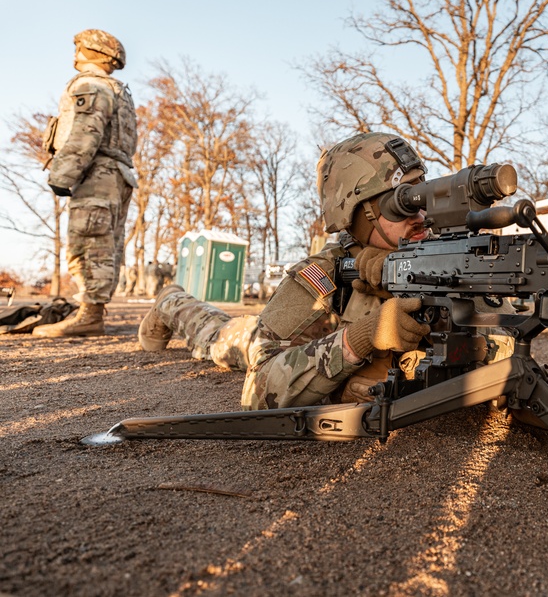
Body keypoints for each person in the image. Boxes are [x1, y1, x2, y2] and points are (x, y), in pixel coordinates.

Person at [137, 132, 513, 410]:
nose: (419, 215)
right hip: (268, 340)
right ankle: (172, 302)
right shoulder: (325, 272)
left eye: (421, 198)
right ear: (358, 216)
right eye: (401, 204)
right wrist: (363, 338)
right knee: (217, 335)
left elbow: (501, 346)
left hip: (311, 341)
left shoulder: (449, 259)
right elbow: (260, 389)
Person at [34, 29, 137, 338]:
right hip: (115, 173)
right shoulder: (117, 89)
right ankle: (92, 312)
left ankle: (90, 316)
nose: (75, 53)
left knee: (90, 242)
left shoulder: (90, 85)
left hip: (97, 173)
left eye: (79, 48)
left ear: (92, 52)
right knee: (106, 243)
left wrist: (61, 175)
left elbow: (85, 133)